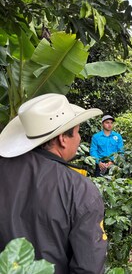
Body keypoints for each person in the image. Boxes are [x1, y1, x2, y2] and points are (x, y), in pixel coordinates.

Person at [0, 93, 107, 274]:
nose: (80, 138)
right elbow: (88, 267)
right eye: (78, 132)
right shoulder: (79, 189)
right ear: (62, 139)